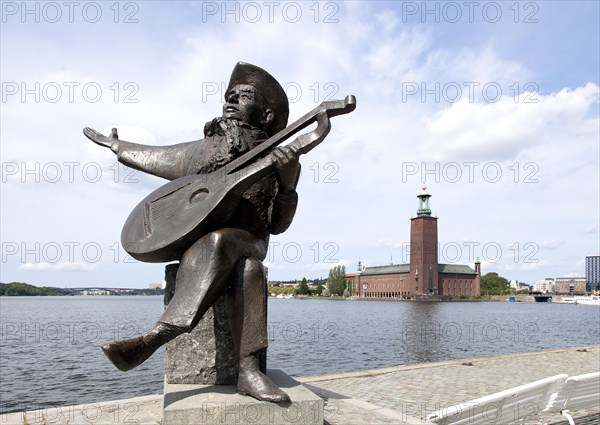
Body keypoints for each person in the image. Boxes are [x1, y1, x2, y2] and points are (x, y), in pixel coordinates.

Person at [84, 62, 301, 403]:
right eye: (229, 96)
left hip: (251, 239)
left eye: (243, 97)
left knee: (229, 245)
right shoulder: (203, 150)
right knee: (247, 270)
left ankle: (156, 337)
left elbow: (278, 225)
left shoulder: (279, 158)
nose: (231, 102)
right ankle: (248, 372)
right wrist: (118, 147)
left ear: (268, 115)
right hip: (202, 245)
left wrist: (287, 186)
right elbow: (156, 156)